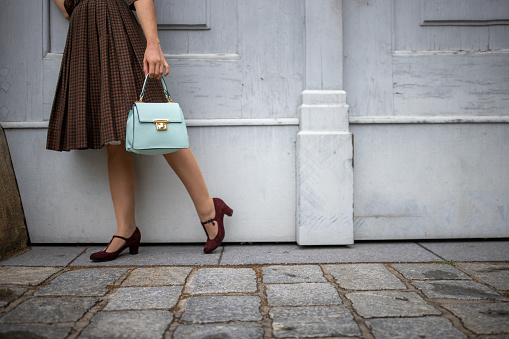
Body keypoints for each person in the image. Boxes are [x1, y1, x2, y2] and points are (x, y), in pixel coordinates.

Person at [47, 0, 232, 261]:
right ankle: (126, 229)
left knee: (160, 127)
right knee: (112, 138)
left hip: (118, 30)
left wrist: (153, 44)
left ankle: (209, 208)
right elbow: (67, 9)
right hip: (85, 38)